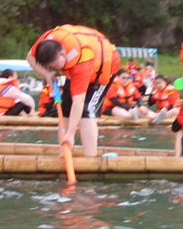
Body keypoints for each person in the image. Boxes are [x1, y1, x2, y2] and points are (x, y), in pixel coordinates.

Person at [27, 24, 120, 157]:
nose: (53, 70)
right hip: (78, 62)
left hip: (104, 64)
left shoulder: (81, 60)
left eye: (53, 66)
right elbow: (30, 57)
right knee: (65, 107)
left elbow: (79, 100)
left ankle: (90, 157)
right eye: (48, 67)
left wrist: (71, 134)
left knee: (86, 110)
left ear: (62, 54)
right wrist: (46, 75)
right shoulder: (46, 42)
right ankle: (64, 153)